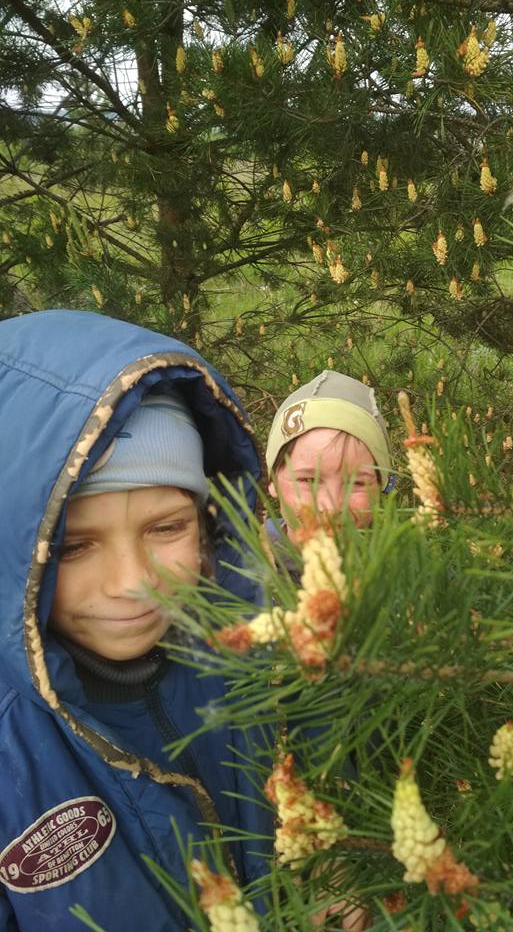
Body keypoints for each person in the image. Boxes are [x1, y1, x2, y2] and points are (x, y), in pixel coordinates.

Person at [0, 310, 272, 931]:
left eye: (166, 527)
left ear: (208, 522)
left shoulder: (267, 657)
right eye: (72, 546)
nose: (133, 582)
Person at [264, 370, 393, 553]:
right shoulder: (230, 568)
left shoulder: (413, 573)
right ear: (271, 480)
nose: (331, 508)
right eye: (309, 480)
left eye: (356, 483)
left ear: (382, 484)